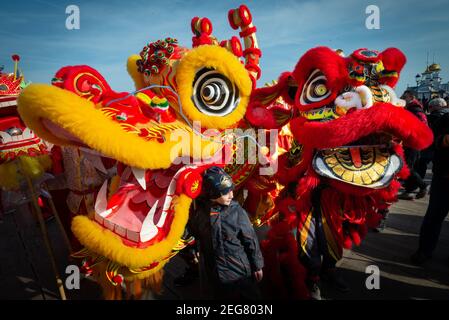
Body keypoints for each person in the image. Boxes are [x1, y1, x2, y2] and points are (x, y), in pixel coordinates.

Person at [188, 166, 264, 300]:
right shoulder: (201, 214)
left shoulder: (236, 211)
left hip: (240, 271)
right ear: (213, 194)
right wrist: (193, 251)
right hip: (216, 274)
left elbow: (250, 239)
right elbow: (195, 233)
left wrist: (257, 265)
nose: (232, 195)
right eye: (226, 192)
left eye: (231, 190)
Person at [411, 98, 449, 265]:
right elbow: (430, 140)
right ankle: (424, 251)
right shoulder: (445, 119)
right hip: (444, 177)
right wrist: (443, 140)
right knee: (434, 217)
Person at [398, 91, 429, 200]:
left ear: (411, 97)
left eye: (404, 96)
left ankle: (423, 186)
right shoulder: (415, 109)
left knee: (406, 167)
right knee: (410, 166)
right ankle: (409, 191)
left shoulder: (414, 110)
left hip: (412, 143)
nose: (402, 98)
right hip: (413, 143)